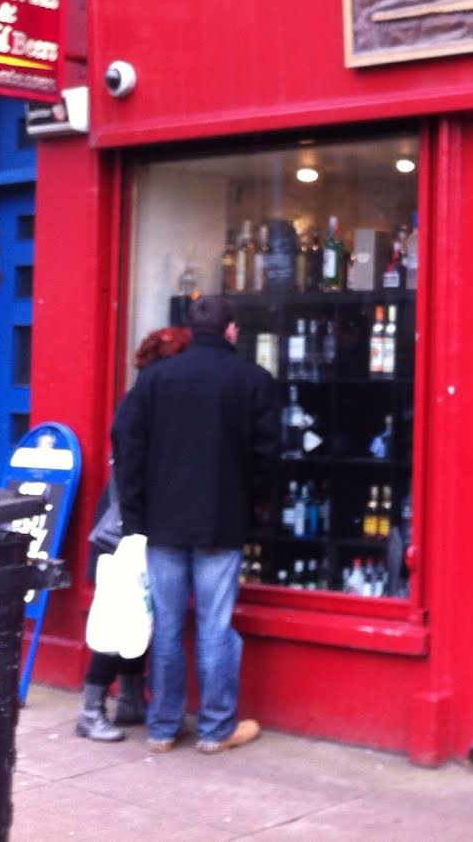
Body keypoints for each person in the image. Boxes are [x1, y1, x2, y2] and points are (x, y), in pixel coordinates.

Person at [114, 295, 279, 754]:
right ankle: (215, 728)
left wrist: (134, 515)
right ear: (231, 331)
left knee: (167, 626)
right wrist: (255, 504)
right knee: (214, 626)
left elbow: (130, 451)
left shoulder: (155, 379)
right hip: (221, 520)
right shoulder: (252, 379)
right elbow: (267, 457)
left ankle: (164, 728)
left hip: (162, 521)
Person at [77, 325, 193, 743]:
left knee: (140, 611)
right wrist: (136, 529)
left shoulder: (146, 398)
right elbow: (128, 472)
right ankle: (90, 710)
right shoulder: (143, 403)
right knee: (120, 614)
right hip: (126, 527)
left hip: (133, 522)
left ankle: (129, 700)